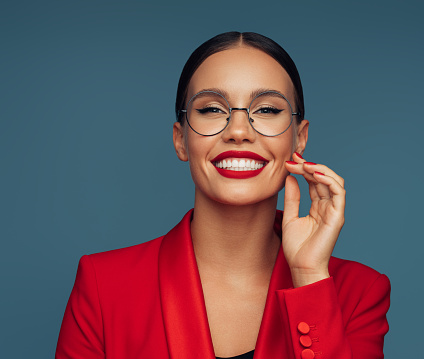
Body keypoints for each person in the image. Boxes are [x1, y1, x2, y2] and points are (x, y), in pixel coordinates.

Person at [55, 31, 390, 359]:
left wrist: (309, 277)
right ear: (181, 140)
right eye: (212, 109)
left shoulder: (359, 292)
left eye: (268, 110)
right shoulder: (103, 285)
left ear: (299, 139)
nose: (238, 131)